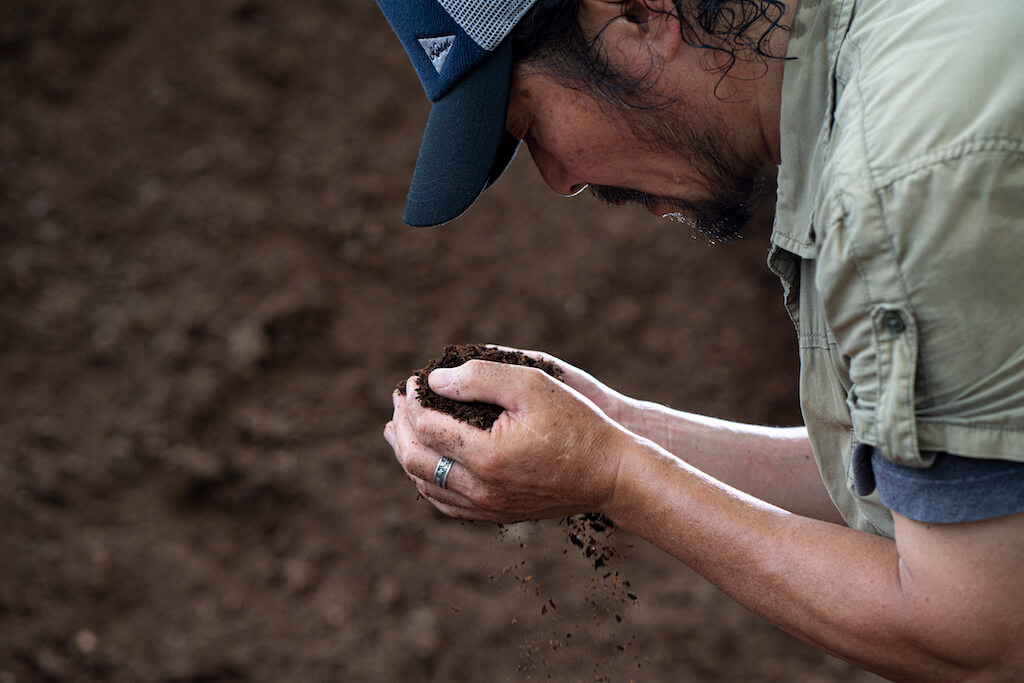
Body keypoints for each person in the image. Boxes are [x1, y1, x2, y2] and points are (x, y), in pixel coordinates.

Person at [377, 0, 1024, 678]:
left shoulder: (897, 188)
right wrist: (620, 426)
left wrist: (618, 474)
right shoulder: (894, 55)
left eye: (531, 124)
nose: (560, 180)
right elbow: (944, 490)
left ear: (642, 15)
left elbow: (978, 634)